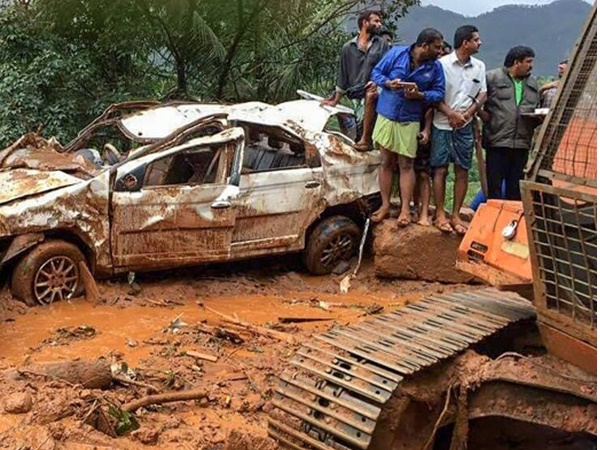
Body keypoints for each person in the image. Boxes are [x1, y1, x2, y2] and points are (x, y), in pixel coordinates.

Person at [369, 27, 446, 227]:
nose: (440, 51)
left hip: (410, 118)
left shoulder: (435, 67)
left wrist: (420, 95)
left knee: (406, 165)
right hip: (387, 113)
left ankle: (405, 209)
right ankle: (385, 205)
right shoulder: (396, 53)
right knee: (386, 162)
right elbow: (376, 72)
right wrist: (388, 83)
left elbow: (439, 93)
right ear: (424, 46)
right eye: (437, 47)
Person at [431, 25, 487, 235]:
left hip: (465, 125)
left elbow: (483, 93)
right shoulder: (441, 64)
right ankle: (439, 213)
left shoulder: (479, 66)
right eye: (476, 39)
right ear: (465, 43)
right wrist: (451, 114)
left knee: (462, 169)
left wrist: (468, 114)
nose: (479, 43)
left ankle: (455, 214)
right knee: (440, 169)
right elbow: (433, 95)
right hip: (442, 123)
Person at [321, 10, 387, 150]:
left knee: (371, 94)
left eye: (380, 21)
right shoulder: (348, 47)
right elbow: (343, 76)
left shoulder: (381, 44)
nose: (379, 24)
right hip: (355, 92)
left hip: (375, 89)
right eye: (376, 21)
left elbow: (386, 67)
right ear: (365, 23)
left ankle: (365, 139)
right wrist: (336, 99)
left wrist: (377, 81)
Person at [480, 46, 540, 201]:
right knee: (494, 185)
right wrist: (483, 115)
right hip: (497, 141)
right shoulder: (492, 78)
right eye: (528, 62)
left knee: (515, 188)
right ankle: (493, 214)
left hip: (522, 143)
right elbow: (475, 99)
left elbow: (537, 107)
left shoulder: (533, 83)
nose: (531, 66)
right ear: (516, 62)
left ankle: (512, 215)